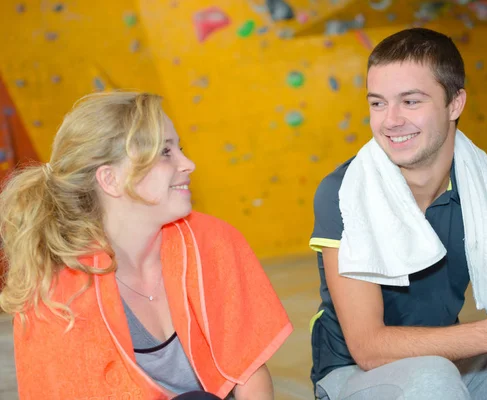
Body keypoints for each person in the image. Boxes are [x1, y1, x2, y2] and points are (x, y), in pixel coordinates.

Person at [308, 28, 487, 400]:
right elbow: (369, 348)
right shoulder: (342, 192)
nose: (390, 120)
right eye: (378, 103)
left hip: (453, 364)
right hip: (354, 376)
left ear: (455, 104)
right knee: (432, 379)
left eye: (411, 101)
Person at [0, 91, 293, 400]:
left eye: (179, 148)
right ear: (110, 179)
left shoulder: (212, 241)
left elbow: (249, 371)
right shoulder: (60, 292)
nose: (188, 164)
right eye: (165, 153)